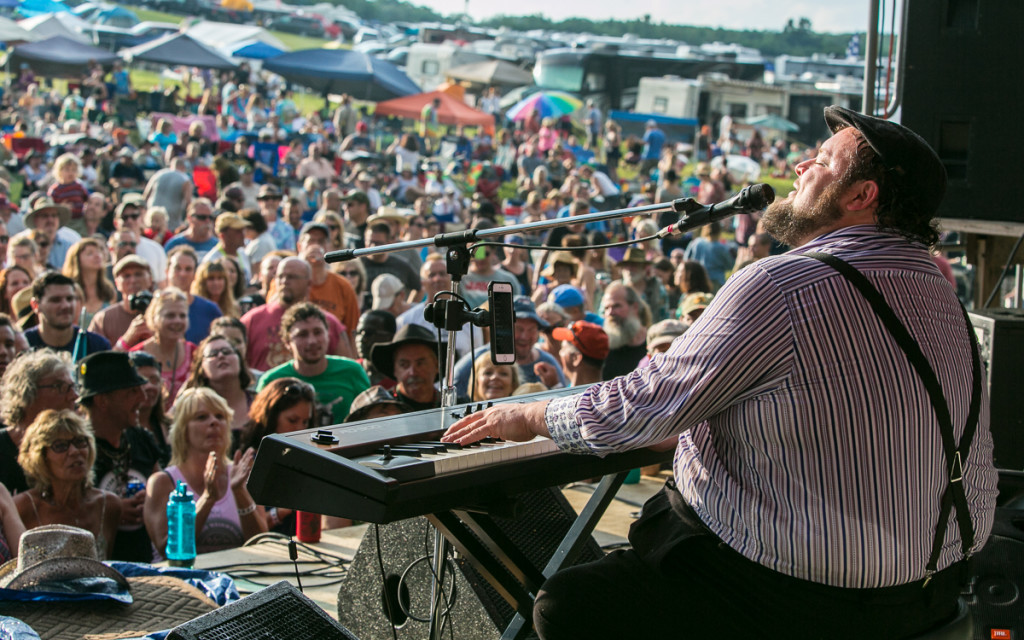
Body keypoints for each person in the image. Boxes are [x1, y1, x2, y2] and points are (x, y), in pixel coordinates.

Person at [442, 106, 998, 639]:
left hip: (803, 600)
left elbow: (638, 413)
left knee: (568, 605)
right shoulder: (940, 295)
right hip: (932, 591)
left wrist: (528, 412)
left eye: (822, 160)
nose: (800, 166)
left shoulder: (784, 285)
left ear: (860, 196)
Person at [143, 387, 266, 558]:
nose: (214, 422)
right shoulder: (163, 483)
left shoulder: (242, 475)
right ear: (183, 430)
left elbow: (261, 543)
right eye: (201, 417)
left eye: (220, 416)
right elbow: (168, 550)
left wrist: (239, 492)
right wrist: (208, 498)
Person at [77, 351, 161, 563]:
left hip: (145, 564)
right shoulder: (75, 449)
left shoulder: (141, 438)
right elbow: (67, 509)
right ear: (103, 401)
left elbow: (160, 487)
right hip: (99, 570)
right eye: (131, 392)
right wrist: (111, 510)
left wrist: (151, 502)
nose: (142, 398)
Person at [15, 410, 122, 559]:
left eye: (80, 442)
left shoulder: (108, 505)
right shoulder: (24, 507)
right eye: (60, 446)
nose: (74, 451)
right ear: (41, 456)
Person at [257, 302, 369, 426]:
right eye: (302, 335)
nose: (312, 341)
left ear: (328, 335)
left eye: (318, 332)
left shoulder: (352, 371)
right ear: (287, 342)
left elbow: (370, 419)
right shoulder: (272, 381)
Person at [0, 351, 79, 495]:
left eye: (73, 387)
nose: (74, 396)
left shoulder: (77, 446)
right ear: (27, 391)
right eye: (60, 387)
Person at [128, 287, 195, 403]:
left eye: (182, 316)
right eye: (170, 316)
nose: (177, 321)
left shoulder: (195, 353)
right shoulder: (136, 355)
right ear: (154, 318)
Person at [184, 334, 254, 441]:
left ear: (239, 360)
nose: (221, 356)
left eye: (227, 352)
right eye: (213, 354)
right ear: (201, 368)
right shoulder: (192, 408)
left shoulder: (260, 402)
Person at [26, 272, 111, 356]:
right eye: (56, 300)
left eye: (69, 299)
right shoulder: (24, 345)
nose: (65, 306)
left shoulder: (97, 347)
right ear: (35, 305)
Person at [369, 324, 446, 411]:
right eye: (404, 365)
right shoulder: (381, 411)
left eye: (420, 363)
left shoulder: (453, 406)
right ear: (394, 369)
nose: (413, 372)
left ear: (437, 365)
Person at [129, 351, 172, 467]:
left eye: (154, 380)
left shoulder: (170, 426)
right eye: (141, 380)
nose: (149, 386)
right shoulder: (119, 432)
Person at [62, 238, 115, 328]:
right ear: (76, 260)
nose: (97, 256)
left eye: (99, 252)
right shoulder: (69, 291)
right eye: (90, 253)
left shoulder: (109, 290)